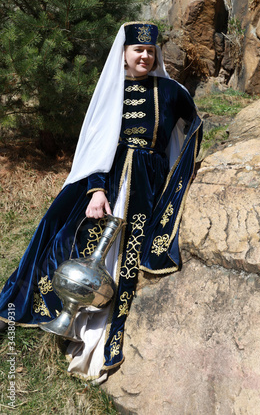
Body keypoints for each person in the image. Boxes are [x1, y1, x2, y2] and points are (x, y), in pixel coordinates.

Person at [0, 22, 202, 382]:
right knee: (67, 242)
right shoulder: (112, 90)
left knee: (127, 253)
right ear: (124, 53)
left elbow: (195, 125)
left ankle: (106, 328)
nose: (144, 56)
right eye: (138, 50)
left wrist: (180, 170)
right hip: (107, 182)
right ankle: (62, 317)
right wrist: (96, 190)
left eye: (150, 51)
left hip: (148, 183)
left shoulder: (172, 91)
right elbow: (97, 144)